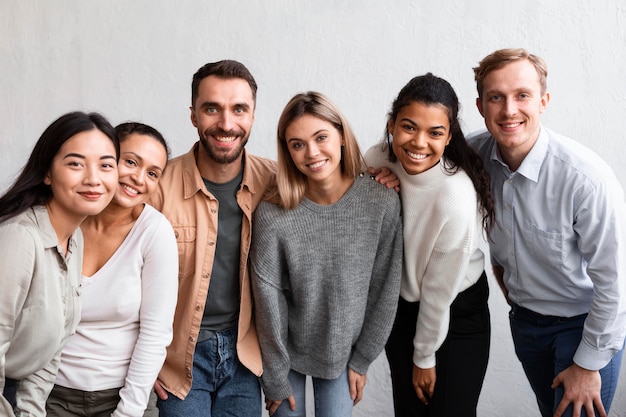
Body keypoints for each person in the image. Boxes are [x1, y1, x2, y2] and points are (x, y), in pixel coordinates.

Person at [468, 48, 626, 417]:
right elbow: (415, 150)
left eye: (522, 95)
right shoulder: (473, 154)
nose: (509, 110)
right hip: (525, 325)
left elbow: (615, 282)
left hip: (585, 328)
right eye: (496, 97)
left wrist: (587, 365)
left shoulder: (586, 179)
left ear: (543, 101)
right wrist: (386, 173)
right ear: (480, 106)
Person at [251, 91, 403, 417]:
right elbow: (268, 300)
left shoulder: (381, 203)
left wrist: (362, 359)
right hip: (285, 351)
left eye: (321, 137)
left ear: (341, 136)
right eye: (297, 144)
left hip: (342, 353)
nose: (312, 152)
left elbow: (384, 290)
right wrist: (275, 376)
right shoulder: (274, 213)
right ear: (288, 152)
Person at [147, 60, 276, 416]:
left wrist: (383, 173)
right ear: (193, 115)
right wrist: (145, 359)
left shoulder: (277, 183)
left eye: (239, 109)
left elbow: (335, 186)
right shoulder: (158, 187)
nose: (226, 123)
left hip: (246, 355)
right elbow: (126, 276)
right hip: (179, 361)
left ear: (252, 115)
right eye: (211, 109)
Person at [364, 73, 494, 417]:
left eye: (435, 133)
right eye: (409, 127)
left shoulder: (453, 197)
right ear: (392, 125)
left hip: (456, 306)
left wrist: (424, 357)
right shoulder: (378, 159)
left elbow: (438, 291)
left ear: (449, 137)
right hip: (402, 307)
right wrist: (370, 183)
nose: (419, 142)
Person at [45, 122, 178, 416]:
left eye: (152, 173)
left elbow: (155, 334)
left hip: (121, 397)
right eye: (130, 162)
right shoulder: (62, 217)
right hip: (48, 391)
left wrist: (128, 410)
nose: (138, 178)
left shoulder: (155, 232)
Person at [0, 111, 119, 417]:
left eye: (106, 165)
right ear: (47, 173)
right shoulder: (19, 238)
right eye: (76, 164)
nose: (93, 178)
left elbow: (50, 350)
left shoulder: (73, 238)